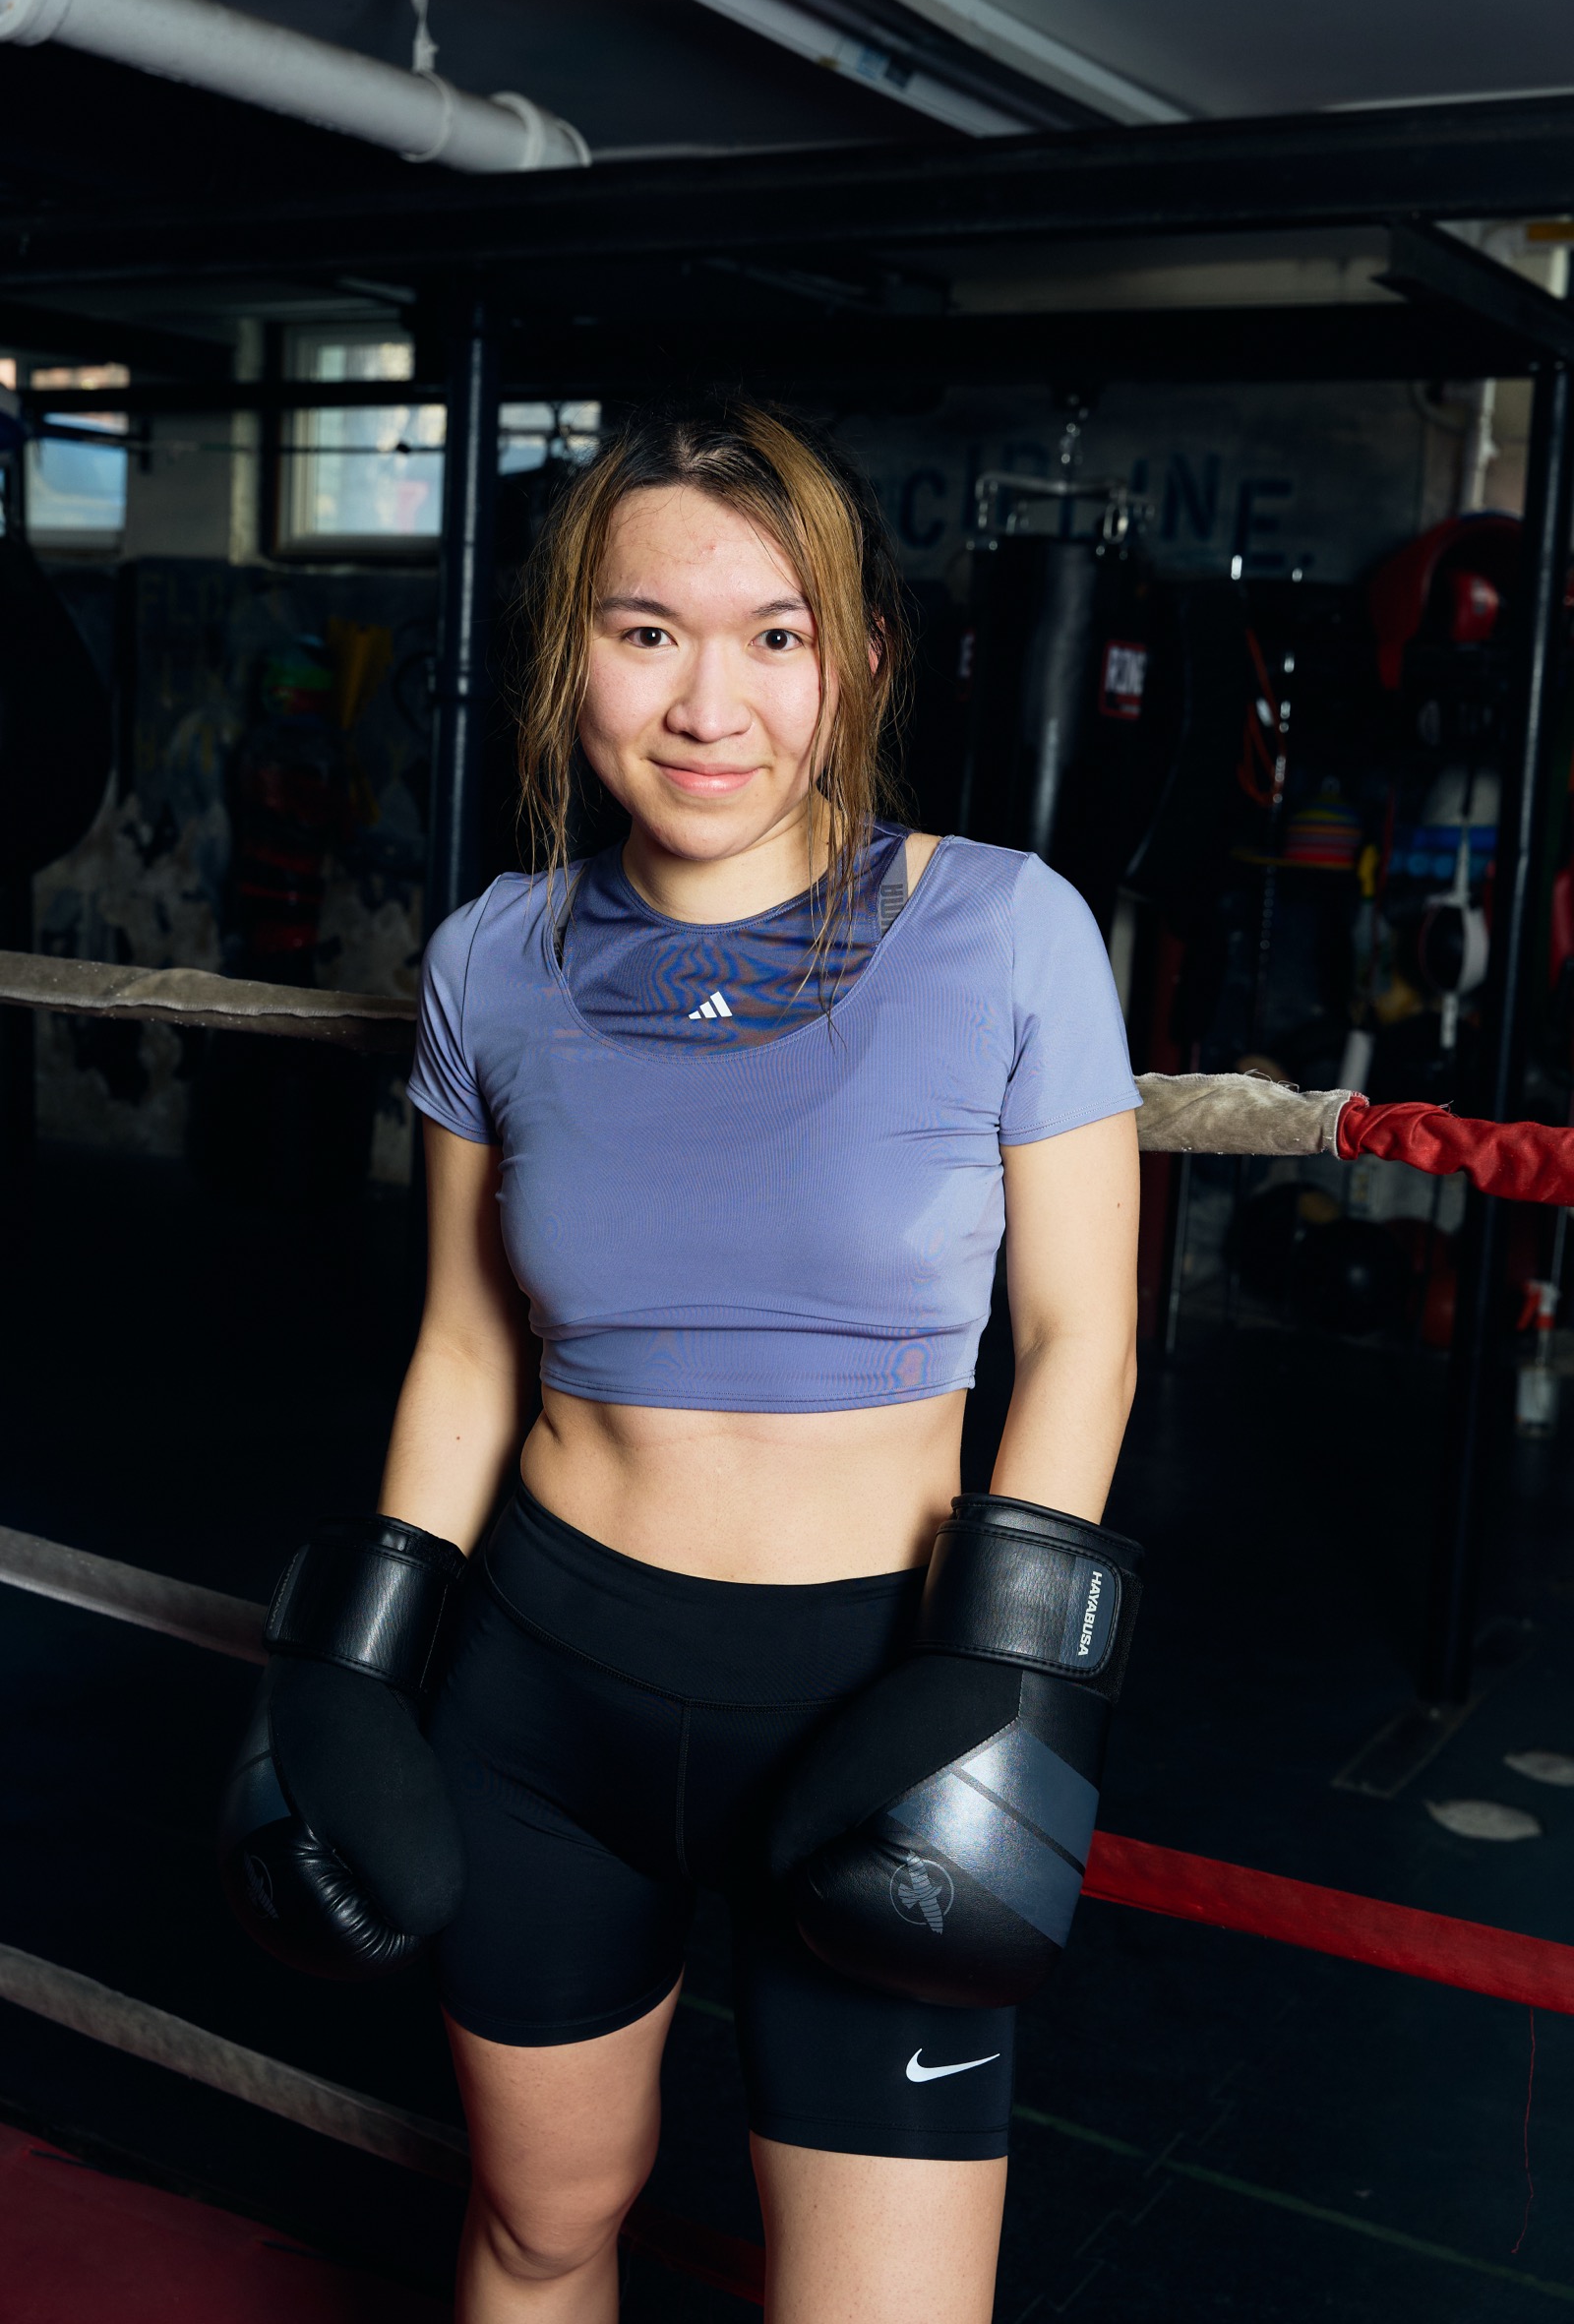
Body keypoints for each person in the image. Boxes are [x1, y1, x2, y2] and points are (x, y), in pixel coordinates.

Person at [236, 399, 1141, 2323]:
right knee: (540, 2232)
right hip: (544, 1700)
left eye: (772, 636)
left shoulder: (1006, 931)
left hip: (876, 1694)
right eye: (645, 631)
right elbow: (466, 1344)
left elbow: (1081, 1341)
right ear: (570, 652)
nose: (706, 702)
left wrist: (999, 1682)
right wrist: (353, 1660)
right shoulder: (493, 960)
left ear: (858, 660)